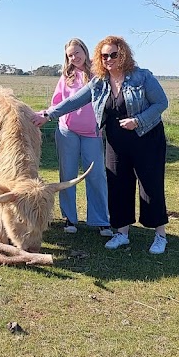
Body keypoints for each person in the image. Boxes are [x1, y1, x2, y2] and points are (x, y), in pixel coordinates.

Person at [32, 36, 170, 254]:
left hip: (146, 138)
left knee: (150, 186)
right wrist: (48, 114)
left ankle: (160, 235)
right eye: (104, 55)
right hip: (115, 140)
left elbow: (161, 103)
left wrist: (138, 120)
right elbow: (74, 100)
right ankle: (121, 233)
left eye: (113, 54)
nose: (109, 59)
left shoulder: (142, 77)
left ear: (123, 54)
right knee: (118, 186)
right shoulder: (99, 82)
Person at [48, 38, 113, 237]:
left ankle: (101, 220)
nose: (74, 57)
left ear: (85, 51)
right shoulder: (66, 77)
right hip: (67, 132)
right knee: (67, 174)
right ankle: (70, 218)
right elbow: (57, 104)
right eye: (70, 55)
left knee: (96, 175)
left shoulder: (100, 74)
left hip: (92, 133)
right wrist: (43, 115)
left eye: (77, 52)